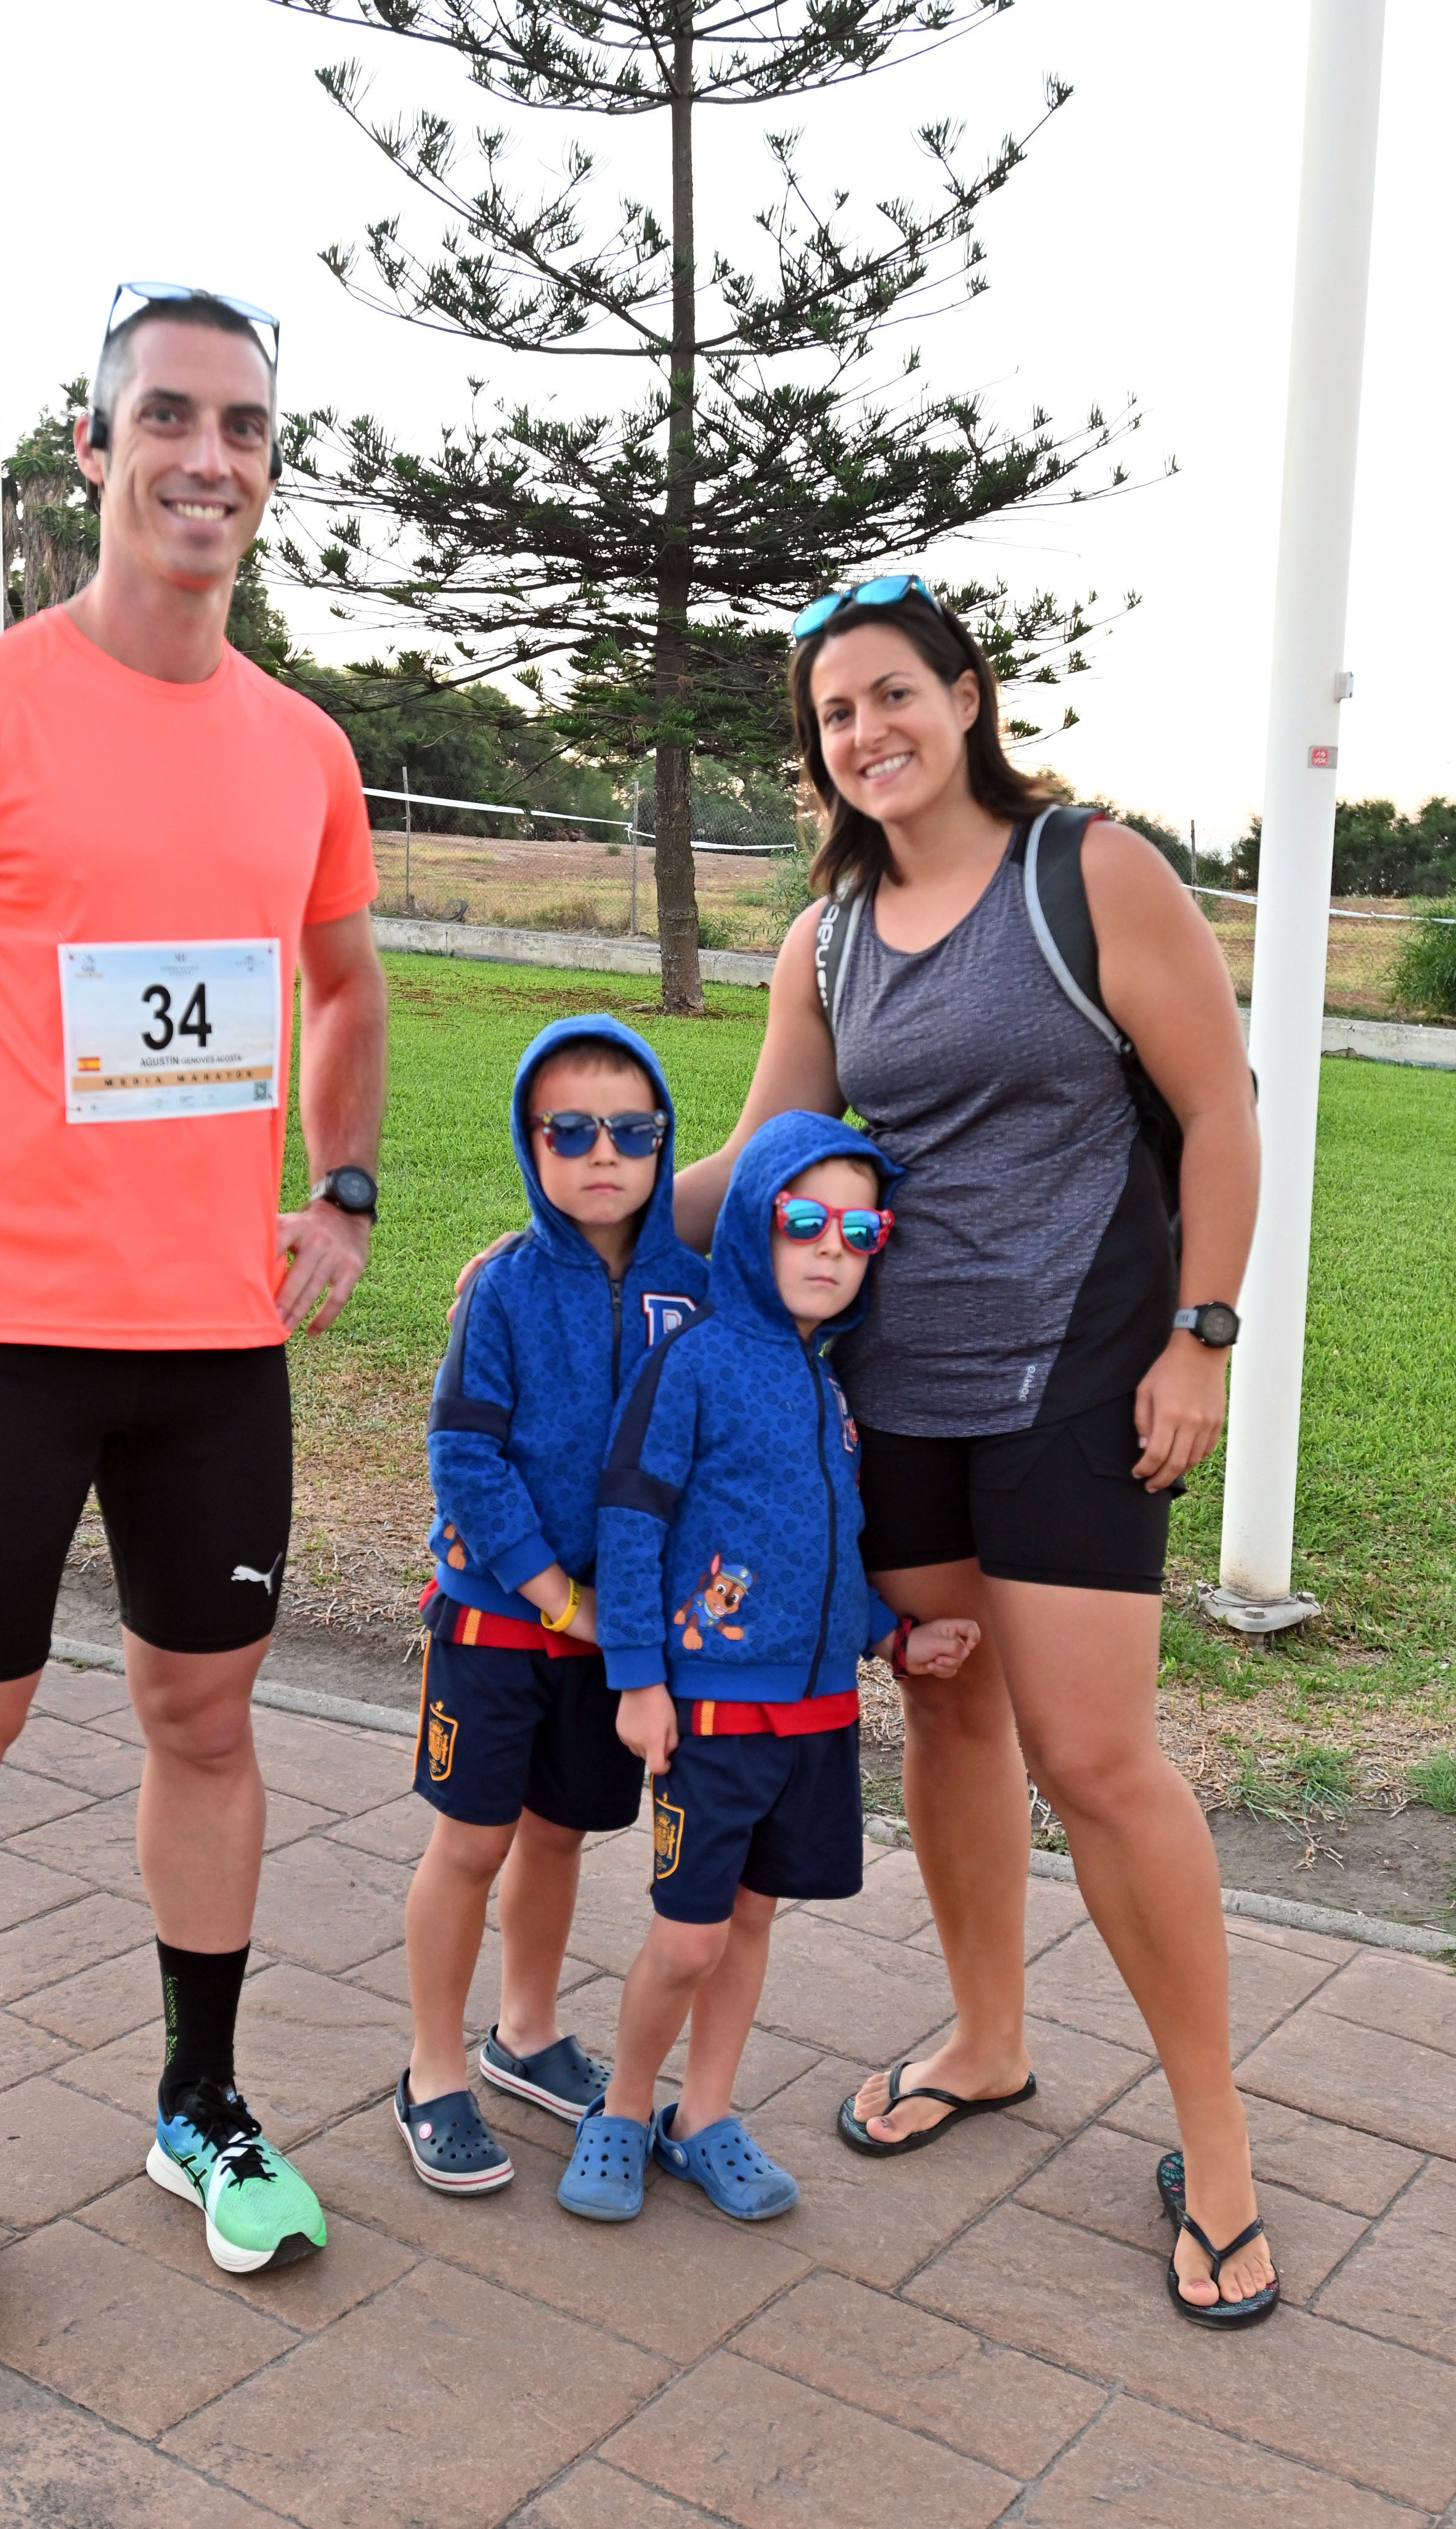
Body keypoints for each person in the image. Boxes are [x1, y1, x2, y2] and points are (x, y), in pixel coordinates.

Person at [0, 282, 387, 2353]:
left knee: (208, 1717)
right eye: (167, 417)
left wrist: (339, 1189)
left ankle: (200, 2100)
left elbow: (347, 989)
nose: (208, 458)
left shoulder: (300, 748)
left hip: (210, 1350)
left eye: (242, 425)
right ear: (91, 449)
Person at [664, 576, 1275, 2324]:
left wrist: (1202, 1340)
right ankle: (991, 2042)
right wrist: (593, 1233)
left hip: (1086, 1382)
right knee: (945, 1704)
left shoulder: (1089, 873)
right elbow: (761, 1160)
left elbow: (1223, 1109)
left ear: (967, 694)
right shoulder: (828, 942)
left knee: (1097, 1762)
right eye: (834, 716)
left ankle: (1214, 2143)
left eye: (890, 695)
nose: (866, 733)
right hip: (899, 1395)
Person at [556, 1114, 980, 2223]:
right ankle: (624, 2110)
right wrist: (640, 1678)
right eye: (805, 1221)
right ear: (756, 1224)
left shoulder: (831, 1391)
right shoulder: (692, 1362)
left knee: (750, 1922)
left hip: (819, 1719)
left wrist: (892, 1635)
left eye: (859, 1227)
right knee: (689, 1935)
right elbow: (633, 1523)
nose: (832, 1247)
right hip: (713, 1713)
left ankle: (706, 2116)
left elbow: (823, 1554)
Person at [397, 1016, 709, 2191]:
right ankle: (433, 2067)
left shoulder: (697, 1284)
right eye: (569, 1130)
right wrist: (552, 1592)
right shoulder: (508, 1289)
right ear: (532, 1145)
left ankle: (524, 2032)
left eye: (631, 1131)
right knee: (473, 1838)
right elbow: (465, 1459)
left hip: (610, 1627)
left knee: (559, 1832)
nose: (601, 1154)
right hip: (499, 1616)